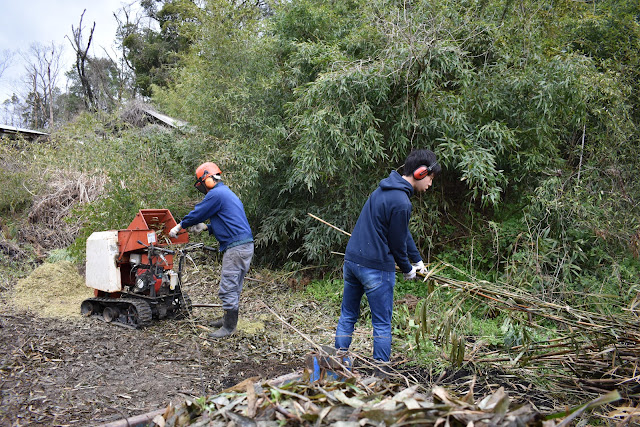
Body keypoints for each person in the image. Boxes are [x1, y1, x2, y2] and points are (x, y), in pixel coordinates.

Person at [334, 149, 441, 371]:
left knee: (348, 315)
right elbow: (396, 242)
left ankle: (337, 362)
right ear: (421, 173)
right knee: (382, 323)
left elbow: (402, 233)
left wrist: (417, 260)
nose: (430, 184)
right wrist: (407, 269)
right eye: (430, 179)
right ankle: (380, 373)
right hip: (376, 269)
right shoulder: (402, 202)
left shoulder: (382, 190)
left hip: (352, 262)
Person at [169, 162, 254, 339]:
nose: (201, 187)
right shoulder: (226, 193)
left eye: (201, 183)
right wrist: (207, 228)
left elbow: (198, 212)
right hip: (244, 244)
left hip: (236, 247)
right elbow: (229, 220)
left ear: (207, 179)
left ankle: (229, 328)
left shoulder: (216, 194)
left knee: (228, 286)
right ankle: (226, 320)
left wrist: (179, 226)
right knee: (234, 285)